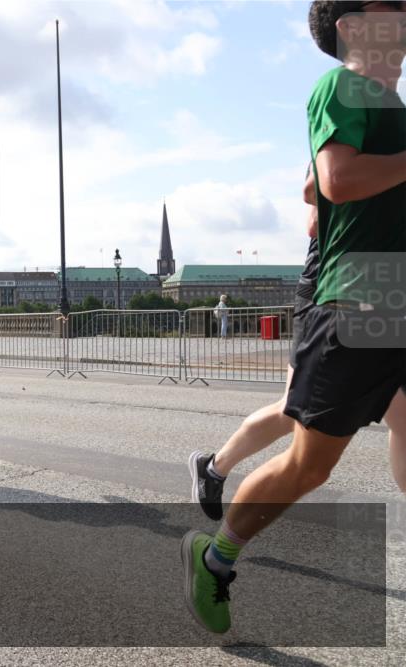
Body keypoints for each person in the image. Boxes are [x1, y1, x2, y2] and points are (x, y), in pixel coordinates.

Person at [182, 0, 406, 634]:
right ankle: (216, 555)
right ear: (353, 27)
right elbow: (335, 179)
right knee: (310, 464)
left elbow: (317, 187)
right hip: (358, 300)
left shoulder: (391, 111)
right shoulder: (341, 84)